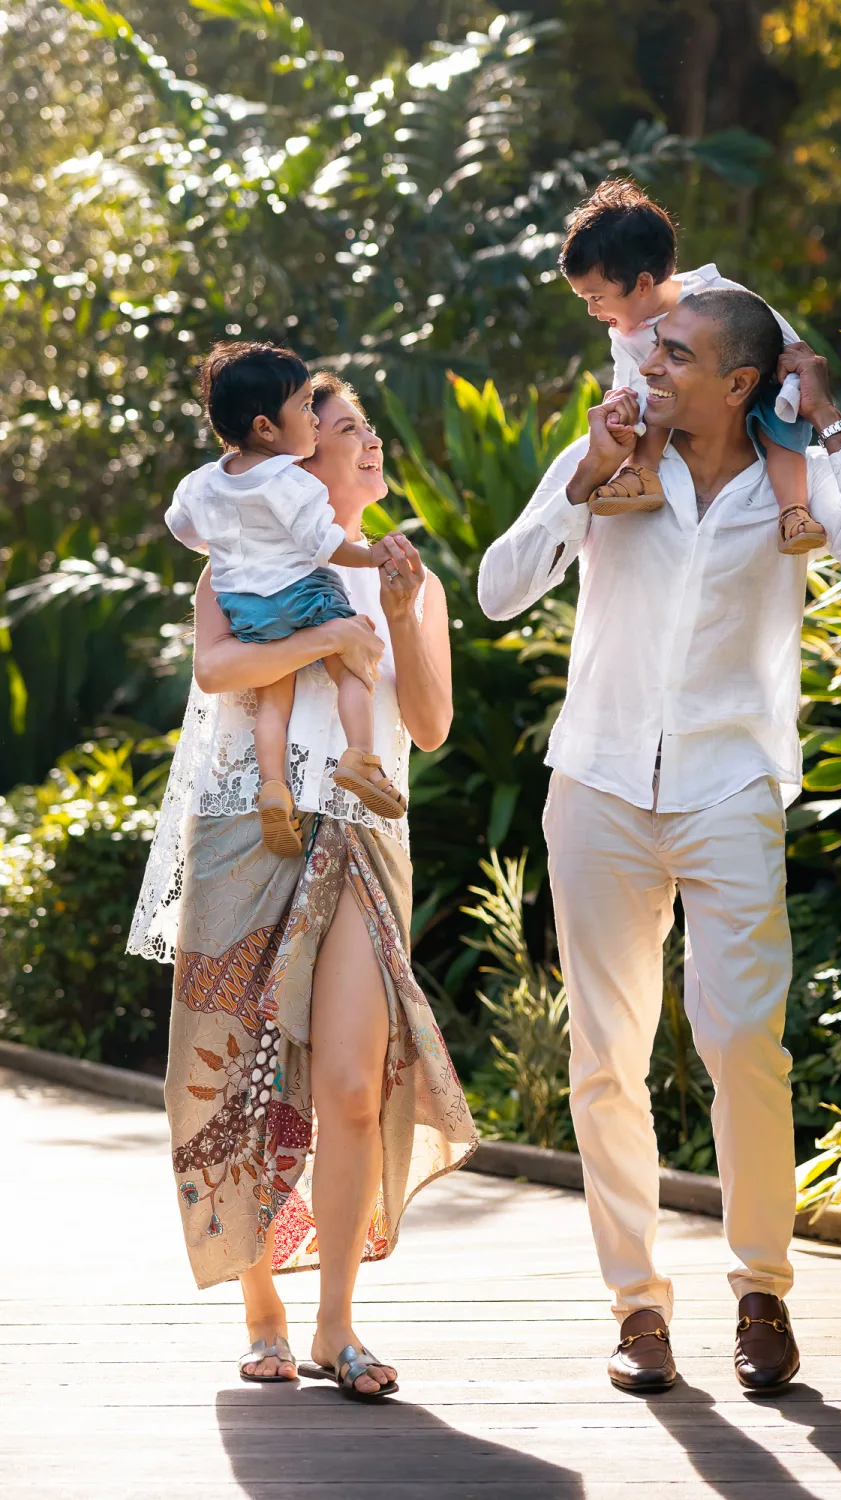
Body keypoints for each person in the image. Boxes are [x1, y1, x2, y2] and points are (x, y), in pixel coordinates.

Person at [478, 289, 841, 1394]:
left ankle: (760, 1288)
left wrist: (826, 421)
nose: (646, 362)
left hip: (729, 785)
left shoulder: (794, 474)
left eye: (672, 353)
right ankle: (635, 1308)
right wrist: (579, 478)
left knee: (740, 1045)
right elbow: (496, 591)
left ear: (738, 383)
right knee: (604, 1061)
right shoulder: (612, 452)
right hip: (600, 784)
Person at [130, 371, 478, 1396]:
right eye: (338, 428)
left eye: (368, 423)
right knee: (236, 1075)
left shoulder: (407, 575)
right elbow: (217, 673)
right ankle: (262, 1309)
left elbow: (427, 725)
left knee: (350, 1088)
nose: (365, 440)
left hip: (364, 833)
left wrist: (406, 613)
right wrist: (324, 633)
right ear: (289, 456)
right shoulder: (235, 563)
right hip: (248, 828)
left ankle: (335, 1324)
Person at [165, 341, 410, 860]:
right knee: (353, 668)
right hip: (303, 589)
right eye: (305, 411)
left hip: (246, 602)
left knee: (272, 702)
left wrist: (230, 545)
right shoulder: (288, 481)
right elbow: (322, 544)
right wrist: (369, 560)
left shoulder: (203, 481)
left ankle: (273, 791)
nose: (313, 423)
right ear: (266, 429)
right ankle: (360, 758)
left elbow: (181, 526)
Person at [559, 178, 825, 553]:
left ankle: (793, 512)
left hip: (754, 395)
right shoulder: (624, 331)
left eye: (596, 297)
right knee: (648, 399)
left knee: (779, 432)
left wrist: (795, 384)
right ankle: (643, 475)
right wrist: (620, 407)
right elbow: (626, 380)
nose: (592, 310)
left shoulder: (715, 298)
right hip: (683, 410)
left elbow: (782, 337)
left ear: (643, 284)